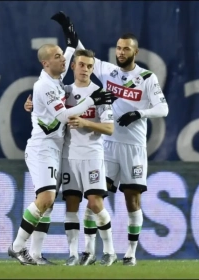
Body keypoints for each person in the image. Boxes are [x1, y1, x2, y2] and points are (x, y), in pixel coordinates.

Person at [51, 11, 169, 266]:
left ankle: (130, 253)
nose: (121, 52)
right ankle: (90, 251)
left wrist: (139, 112)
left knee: (132, 200)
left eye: (126, 49)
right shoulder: (109, 71)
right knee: (95, 199)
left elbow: (163, 109)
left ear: (135, 53)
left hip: (134, 147)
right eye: (118, 48)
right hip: (108, 146)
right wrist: (69, 30)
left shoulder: (147, 78)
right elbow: (83, 54)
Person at [8, 42, 117, 266]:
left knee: (52, 203)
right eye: (59, 57)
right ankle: (18, 247)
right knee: (48, 199)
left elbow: (109, 127)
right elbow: (63, 117)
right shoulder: (48, 86)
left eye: (89, 65)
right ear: (46, 63)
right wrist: (89, 103)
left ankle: (36, 255)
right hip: (44, 148)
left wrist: (70, 43)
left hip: (67, 152)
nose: (65, 60)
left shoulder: (59, 84)